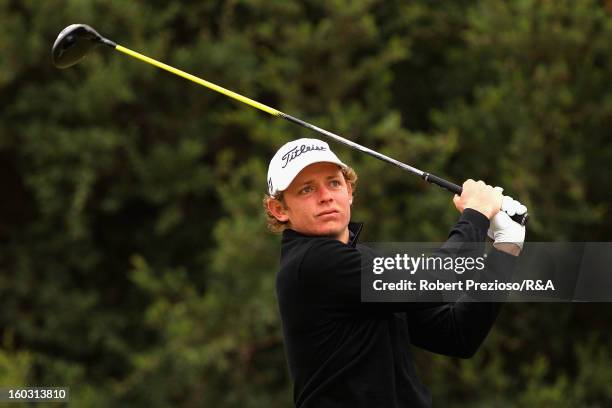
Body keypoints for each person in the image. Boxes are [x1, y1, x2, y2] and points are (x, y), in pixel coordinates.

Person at [264, 138, 527, 407]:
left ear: (350, 191)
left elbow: (457, 335)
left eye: (334, 183)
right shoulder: (311, 263)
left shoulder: (359, 262)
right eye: (307, 189)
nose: (326, 196)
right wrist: (477, 213)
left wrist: (506, 248)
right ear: (279, 209)